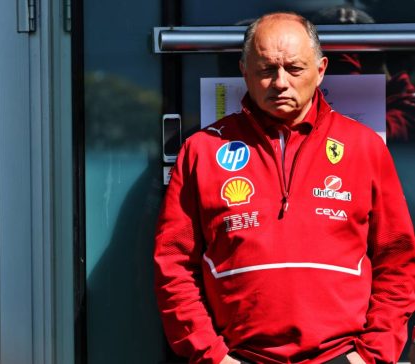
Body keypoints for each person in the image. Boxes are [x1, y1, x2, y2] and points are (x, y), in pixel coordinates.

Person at [154, 12, 415, 364]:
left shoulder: (363, 146)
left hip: (341, 356)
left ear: (320, 70)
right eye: (266, 70)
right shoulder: (203, 150)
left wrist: (370, 355)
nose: (280, 82)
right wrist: (211, 356)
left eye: (294, 69)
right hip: (237, 356)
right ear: (244, 71)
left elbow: (397, 260)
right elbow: (174, 265)